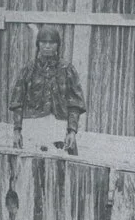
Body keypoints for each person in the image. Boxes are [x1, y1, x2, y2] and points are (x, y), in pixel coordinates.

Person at [9, 26, 86, 155]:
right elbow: (17, 102)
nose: (47, 46)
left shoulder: (67, 69)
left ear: (58, 45)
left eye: (52, 42)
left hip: (59, 127)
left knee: (58, 169)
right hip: (32, 127)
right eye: (43, 42)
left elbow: (75, 104)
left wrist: (72, 131)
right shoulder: (29, 69)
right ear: (38, 44)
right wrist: (17, 130)